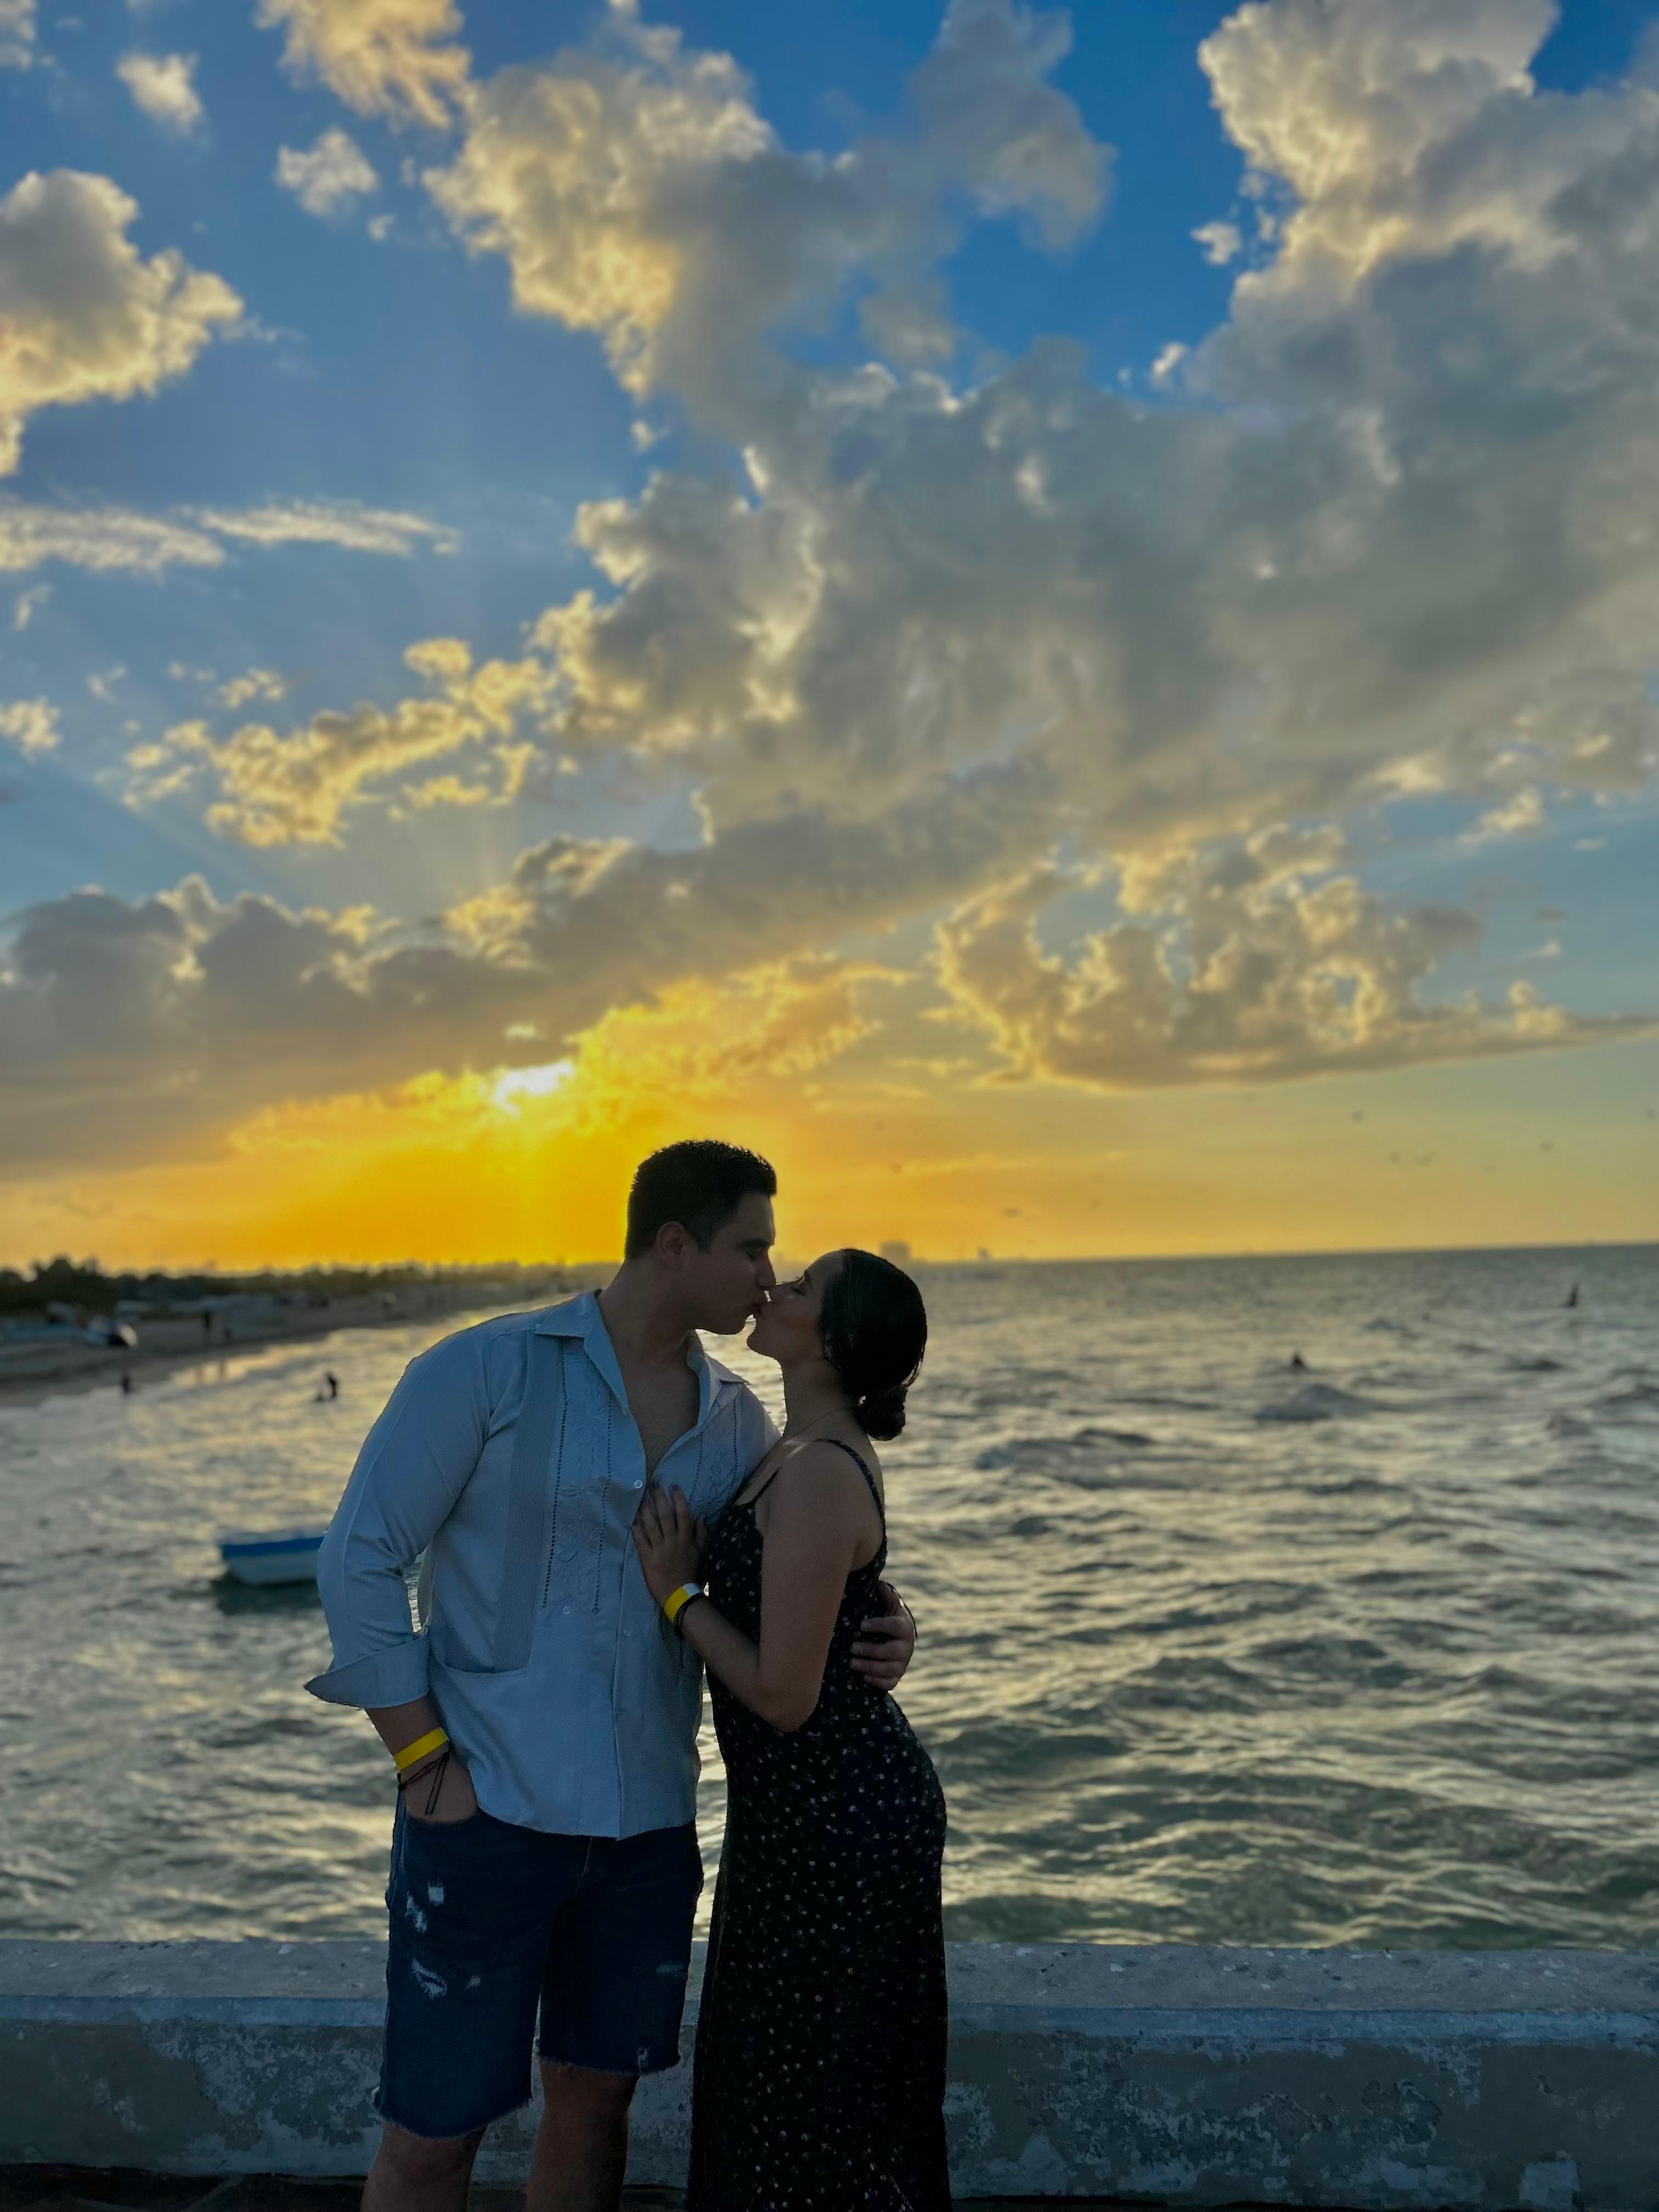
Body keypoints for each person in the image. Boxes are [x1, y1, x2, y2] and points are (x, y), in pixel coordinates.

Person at [304, 1142, 917, 2212]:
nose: (767, 1276)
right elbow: (359, 1559)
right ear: (675, 1245)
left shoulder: (739, 1422)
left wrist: (885, 1624)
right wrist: (423, 1761)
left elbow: (793, 1565)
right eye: (752, 1249)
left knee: (596, 2109)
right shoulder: (485, 1368)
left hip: (647, 1832)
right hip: (485, 1815)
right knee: (433, 2133)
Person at [633, 1248, 949, 2212]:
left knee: (810, 2104)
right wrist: (891, 1622)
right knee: (790, 2092)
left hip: (835, 1827)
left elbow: (783, 1696)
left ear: (836, 1343)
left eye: (804, 1286)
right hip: (799, 1819)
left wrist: (677, 1594)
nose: (776, 1286)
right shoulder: (793, 1451)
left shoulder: (817, 1472)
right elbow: (828, 1609)